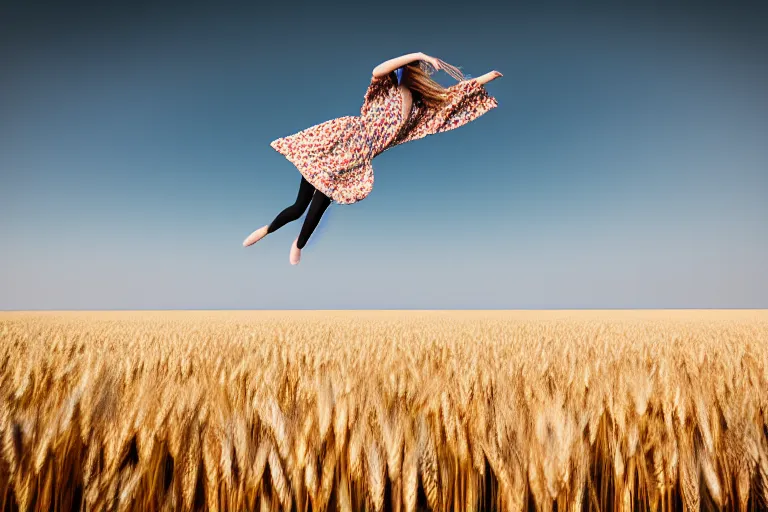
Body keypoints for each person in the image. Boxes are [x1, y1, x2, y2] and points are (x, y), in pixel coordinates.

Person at [243, 51, 502, 265]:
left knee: (319, 207)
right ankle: (267, 230)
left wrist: (485, 78)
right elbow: (379, 69)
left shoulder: (418, 110)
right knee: (299, 207)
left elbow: (449, 99)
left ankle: (298, 245)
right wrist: (419, 54)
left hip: (356, 159)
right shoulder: (385, 86)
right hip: (340, 140)